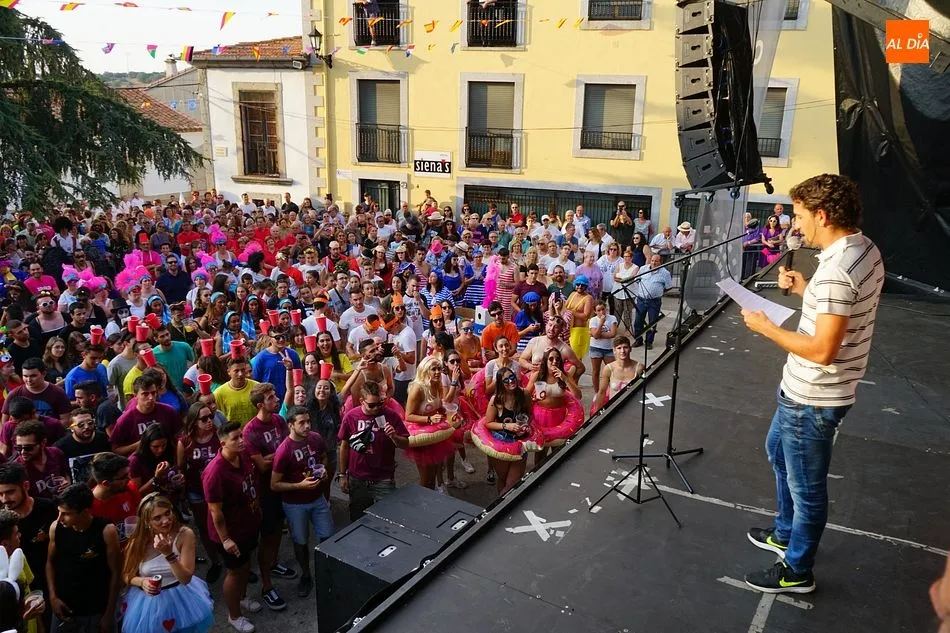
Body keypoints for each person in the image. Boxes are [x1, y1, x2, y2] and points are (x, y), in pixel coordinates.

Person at [740, 174, 884, 594]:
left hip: (812, 397)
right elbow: (842, 313)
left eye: (800, 216)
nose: (795, 225)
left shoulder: (837, 271)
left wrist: (765, 328)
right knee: (776, 452)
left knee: (807, 490)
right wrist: (806, 289)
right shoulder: (863, 249)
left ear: (822, 215)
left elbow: (823, 349)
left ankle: (796, 570)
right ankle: (784, 533)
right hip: (807, 393)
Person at [120, 493, 214, 633]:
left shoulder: (185, 534)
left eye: (167, 513)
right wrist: (142, 582)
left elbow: (185, 578)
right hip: (148, 605)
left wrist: (169, 555)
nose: (165, 521)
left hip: (182, 598)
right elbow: (127, 575)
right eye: (157, 518)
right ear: (146, 521)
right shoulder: (138, 541)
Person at [202, 422, 263, 633]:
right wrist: (226, 539)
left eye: (241, 437)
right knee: (234, 572)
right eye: (236, 438)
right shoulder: (215, 472)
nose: (241, 441)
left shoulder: (243, 455)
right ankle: (234, 615)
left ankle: (243, 597)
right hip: (230, 533)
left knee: (245, 565)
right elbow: (215, 512)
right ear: (223, 443)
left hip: (248, 524)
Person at [270, 406, 332, 598]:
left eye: (308, 421)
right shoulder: (284, 451)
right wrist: (300, 485)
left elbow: (323, 456)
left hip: (318, 499)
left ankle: (327, 573)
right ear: (291, 426)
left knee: (328, 537)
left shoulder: (315, 438)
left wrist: (324, 472)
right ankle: (306, 575)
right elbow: (274, 484)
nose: (307, 426)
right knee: (300, 541)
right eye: (301, 423)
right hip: (295, 504)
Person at [46, 483, 121, 633]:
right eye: (59, 512)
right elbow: (50, 563)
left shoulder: (106, 531)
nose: (60, 518)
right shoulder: (56, 528)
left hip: (96, 609)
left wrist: (109, 613)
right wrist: (53, 597)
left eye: (66, 513)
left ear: (84, 511)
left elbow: (116, 572)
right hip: (64, 608)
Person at [337, 382, 409, 520]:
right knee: (358, 518)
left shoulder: (391, 416)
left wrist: (394, 436)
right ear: (361, 401)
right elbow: (344, 446)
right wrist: (342, 475)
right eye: (371, 405)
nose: (376, 408)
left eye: (380, 403)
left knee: (388, 518)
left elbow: (406, 444)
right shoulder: (351, 416)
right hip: (358, 477)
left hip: (383, 477)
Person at [177, 402, 223, 583]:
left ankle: (230, 557)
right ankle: (215, 562)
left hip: (219, 490)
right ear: (194, 421)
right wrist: (182, 491)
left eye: (210, 417)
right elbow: (181, 468)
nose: (209, 421)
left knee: (223, 523)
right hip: (196, 490)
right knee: (204, 527)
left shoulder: (219, 436)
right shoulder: (185, 442)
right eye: (203, 419)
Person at [0, 462, 59, 603]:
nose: (4, 499)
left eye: (10, 492)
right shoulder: (1, 521)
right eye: (0, 494)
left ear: (26, 486)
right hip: (18, 593)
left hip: (53, 586)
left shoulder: (50, 509)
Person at [482, 367, 533, 494]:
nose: (511, 381)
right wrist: (507, 426)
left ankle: (498, 509)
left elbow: (530, 414)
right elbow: (488, 423)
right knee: (503, 480)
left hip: (520, 443)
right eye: (506, 380)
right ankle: (501, 509)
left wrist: (526, 425)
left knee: (511, 485)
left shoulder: (524, 394)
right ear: (500, 383)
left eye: (512, 377)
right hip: (501, 443)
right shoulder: (497, 400)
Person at [109, 374, 181, 456]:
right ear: (135, 396)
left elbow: (179, 437)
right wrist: (139, 445)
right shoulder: (126, 419)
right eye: (145, 394)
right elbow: (115, 449)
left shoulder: (168, 411)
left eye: (153, 393)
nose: (150, 397)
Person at [13, 421, 71, 500]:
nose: (23, 452)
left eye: (28, 448)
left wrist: (67, 484)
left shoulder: (56, 453)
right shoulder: (17, 468)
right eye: (18, 448)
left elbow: (65, 474)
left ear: (43, 443)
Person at [53, 408, 110, 484]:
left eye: (90, 423)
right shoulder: (60, 447)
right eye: (81, 425)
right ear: (72, 428)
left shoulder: (102, 438)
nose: (86, 427)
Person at [591, 336, 643, 414]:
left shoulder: (639, 368)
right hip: (614, 410)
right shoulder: (608, 369)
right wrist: (596, 414)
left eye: (625, 347)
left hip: (634, 410)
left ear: (630, 349)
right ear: (614, 350)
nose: (622, 351)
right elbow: (601, 392)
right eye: (619, 348)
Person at [631, 253, 672, 349]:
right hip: (641, 299)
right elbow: (637, 280)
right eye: (652, 260)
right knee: (638, 321)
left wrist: (658, 292)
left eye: (656, 261)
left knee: (652, 322)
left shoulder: (665, 273)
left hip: (654, 301)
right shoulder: (643, 269)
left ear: (660, 262)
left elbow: (668, 286)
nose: (654, 263)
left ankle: (649, 342)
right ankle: (638, 340)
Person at [213, 357, 259, 429]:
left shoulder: (257, 387)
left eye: (243, 370)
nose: (240, 374)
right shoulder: (219, 393)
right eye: (236, 371)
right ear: (229, 372)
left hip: (255, 432)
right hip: (232, 435)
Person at [588, 301, 619, 395]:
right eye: (598, 310)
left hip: (608, 348)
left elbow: (613, 334)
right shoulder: (593, 320)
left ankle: (612, 390)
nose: (601, 312)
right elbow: (596, 335)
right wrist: (601, 323)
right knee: (595, 371)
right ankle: (597, 392)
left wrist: (597, 334)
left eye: (603, 309)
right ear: (595, 311)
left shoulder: (612, 318)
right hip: (595, 348)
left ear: (606, 308)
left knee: (612, 370)